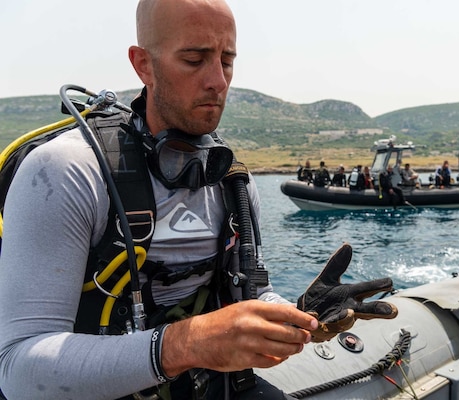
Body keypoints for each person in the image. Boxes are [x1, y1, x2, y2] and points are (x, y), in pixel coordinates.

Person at [0, 1, 398, 399]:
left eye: (227, 60)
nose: (217, 81)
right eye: (194, 59)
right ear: (143, 65)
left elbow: (250, 297)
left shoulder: (232, 180)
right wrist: (186, 344)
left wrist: (302, 315)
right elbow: (18, 370)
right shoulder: (67, 172)